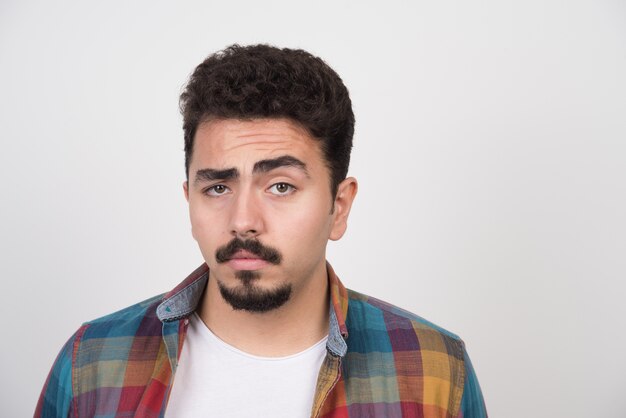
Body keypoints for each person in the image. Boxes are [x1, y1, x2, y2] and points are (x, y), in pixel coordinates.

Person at [35, 44, 487, 418]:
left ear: (339, 206)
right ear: (188, 198)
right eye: (217, 186)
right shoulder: (91, 362)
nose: (242, 219)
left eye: (281, 186)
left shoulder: (434, 369)